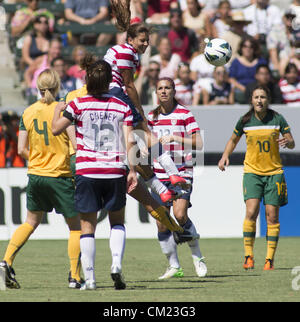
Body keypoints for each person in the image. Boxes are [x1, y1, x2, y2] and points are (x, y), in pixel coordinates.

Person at [63, 54, 196, 244]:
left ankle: (78, 271)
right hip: (116, 165)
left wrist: (76, 147)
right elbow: (129, 136)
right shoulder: (115, 98)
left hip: (88, 165)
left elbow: (61, 124)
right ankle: (173, 219)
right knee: (146, 204)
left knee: (85, 226)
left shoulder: (74, 98)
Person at [51, 57, 139, 291]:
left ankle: (89, 279)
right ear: (110, 80)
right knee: (117, 222)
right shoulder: (123, 106)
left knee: (87, 227)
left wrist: (58, 110)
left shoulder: (77, 104)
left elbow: (56, 129)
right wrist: (132, 170)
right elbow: (129, 140)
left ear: (87, 80)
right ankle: (116, 264)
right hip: (114, 170)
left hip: (87, 170)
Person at [0, 69, 81, 289]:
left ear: (38, 87)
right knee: (76, 227)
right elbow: (74, 146)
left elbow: (21, 149)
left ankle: (6, 260)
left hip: (36, 174)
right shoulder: (63, 110)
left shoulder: (27, 112)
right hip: (60, 175)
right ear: (57, 87)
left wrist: (39, 158)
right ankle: (75, 276)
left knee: (30, 222)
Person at [104, 2, 191, 201]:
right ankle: (173, 172)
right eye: (142, 40)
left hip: (107, 99)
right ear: (131, 39)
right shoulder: (126, 52)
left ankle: (162, 190)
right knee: (145, 130)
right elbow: (129, 86)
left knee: (133, 148)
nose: (145, 44)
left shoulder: (124, 50)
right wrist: (140, 111)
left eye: (147, 41)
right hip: (114, 95)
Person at [218, 85, 295, 271]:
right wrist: (225, 155)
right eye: (256, 97)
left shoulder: (277, 118)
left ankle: (269, 260)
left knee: (272, 216)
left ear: (268, 99)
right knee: (251, 212)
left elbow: (291, 142)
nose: (259, 100)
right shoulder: (245, 120)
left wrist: (288, 141)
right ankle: (248, 256)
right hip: (252, 172)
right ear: (251, 100)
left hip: (274, 173)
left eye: (262, 97)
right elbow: (233, 140)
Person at [148, 77, 207, 279]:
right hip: (158, 174)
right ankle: (174, 266)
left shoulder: (184, 114)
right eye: (160, 88)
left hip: (181, 172)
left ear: (174, 91)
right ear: (156, 92)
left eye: (167, 88)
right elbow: (145, 143)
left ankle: (197, 257)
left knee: (180, 215)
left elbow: (198, 143)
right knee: (161, 221)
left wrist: (176, 138)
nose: (163, 91)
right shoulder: (151, 117)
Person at [229, 36, 267, 103]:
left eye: (251, 47)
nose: (248, 49)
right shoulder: (235, 62)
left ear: (254, 48)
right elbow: (231, 79)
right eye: (245, 46)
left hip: (258, 91)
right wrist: (245, 89)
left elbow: (266, 76)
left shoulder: (261, 61)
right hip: (240, 89)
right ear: (241, 48)